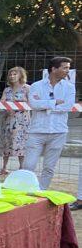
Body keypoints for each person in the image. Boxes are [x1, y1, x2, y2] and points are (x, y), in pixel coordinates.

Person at [26, 56, 74, 190]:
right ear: (54, 69)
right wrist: (54, 102)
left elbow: (67, 106)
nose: (67, 71)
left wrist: (45, 105)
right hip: (36, 132)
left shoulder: (69, 87)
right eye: (65, 68)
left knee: (49, 167)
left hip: (58, 132)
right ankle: (26, 191)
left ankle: (41, 193)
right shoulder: (36, 85)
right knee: (28, 165)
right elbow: (34, 104)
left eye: (68, 68)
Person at [0, 66, 31, 177]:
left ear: (21, 75)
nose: (12, 76)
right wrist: (5, 105)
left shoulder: (27, 88)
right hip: (8, 120)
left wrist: (20, 102)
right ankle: (4, 168)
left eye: (15, 74)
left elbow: (32, 103)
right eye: (10, 74)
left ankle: (21, 168)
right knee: (6, 142)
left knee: (21, 143)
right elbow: (2, 102)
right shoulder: (7, 89)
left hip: (22, 121)